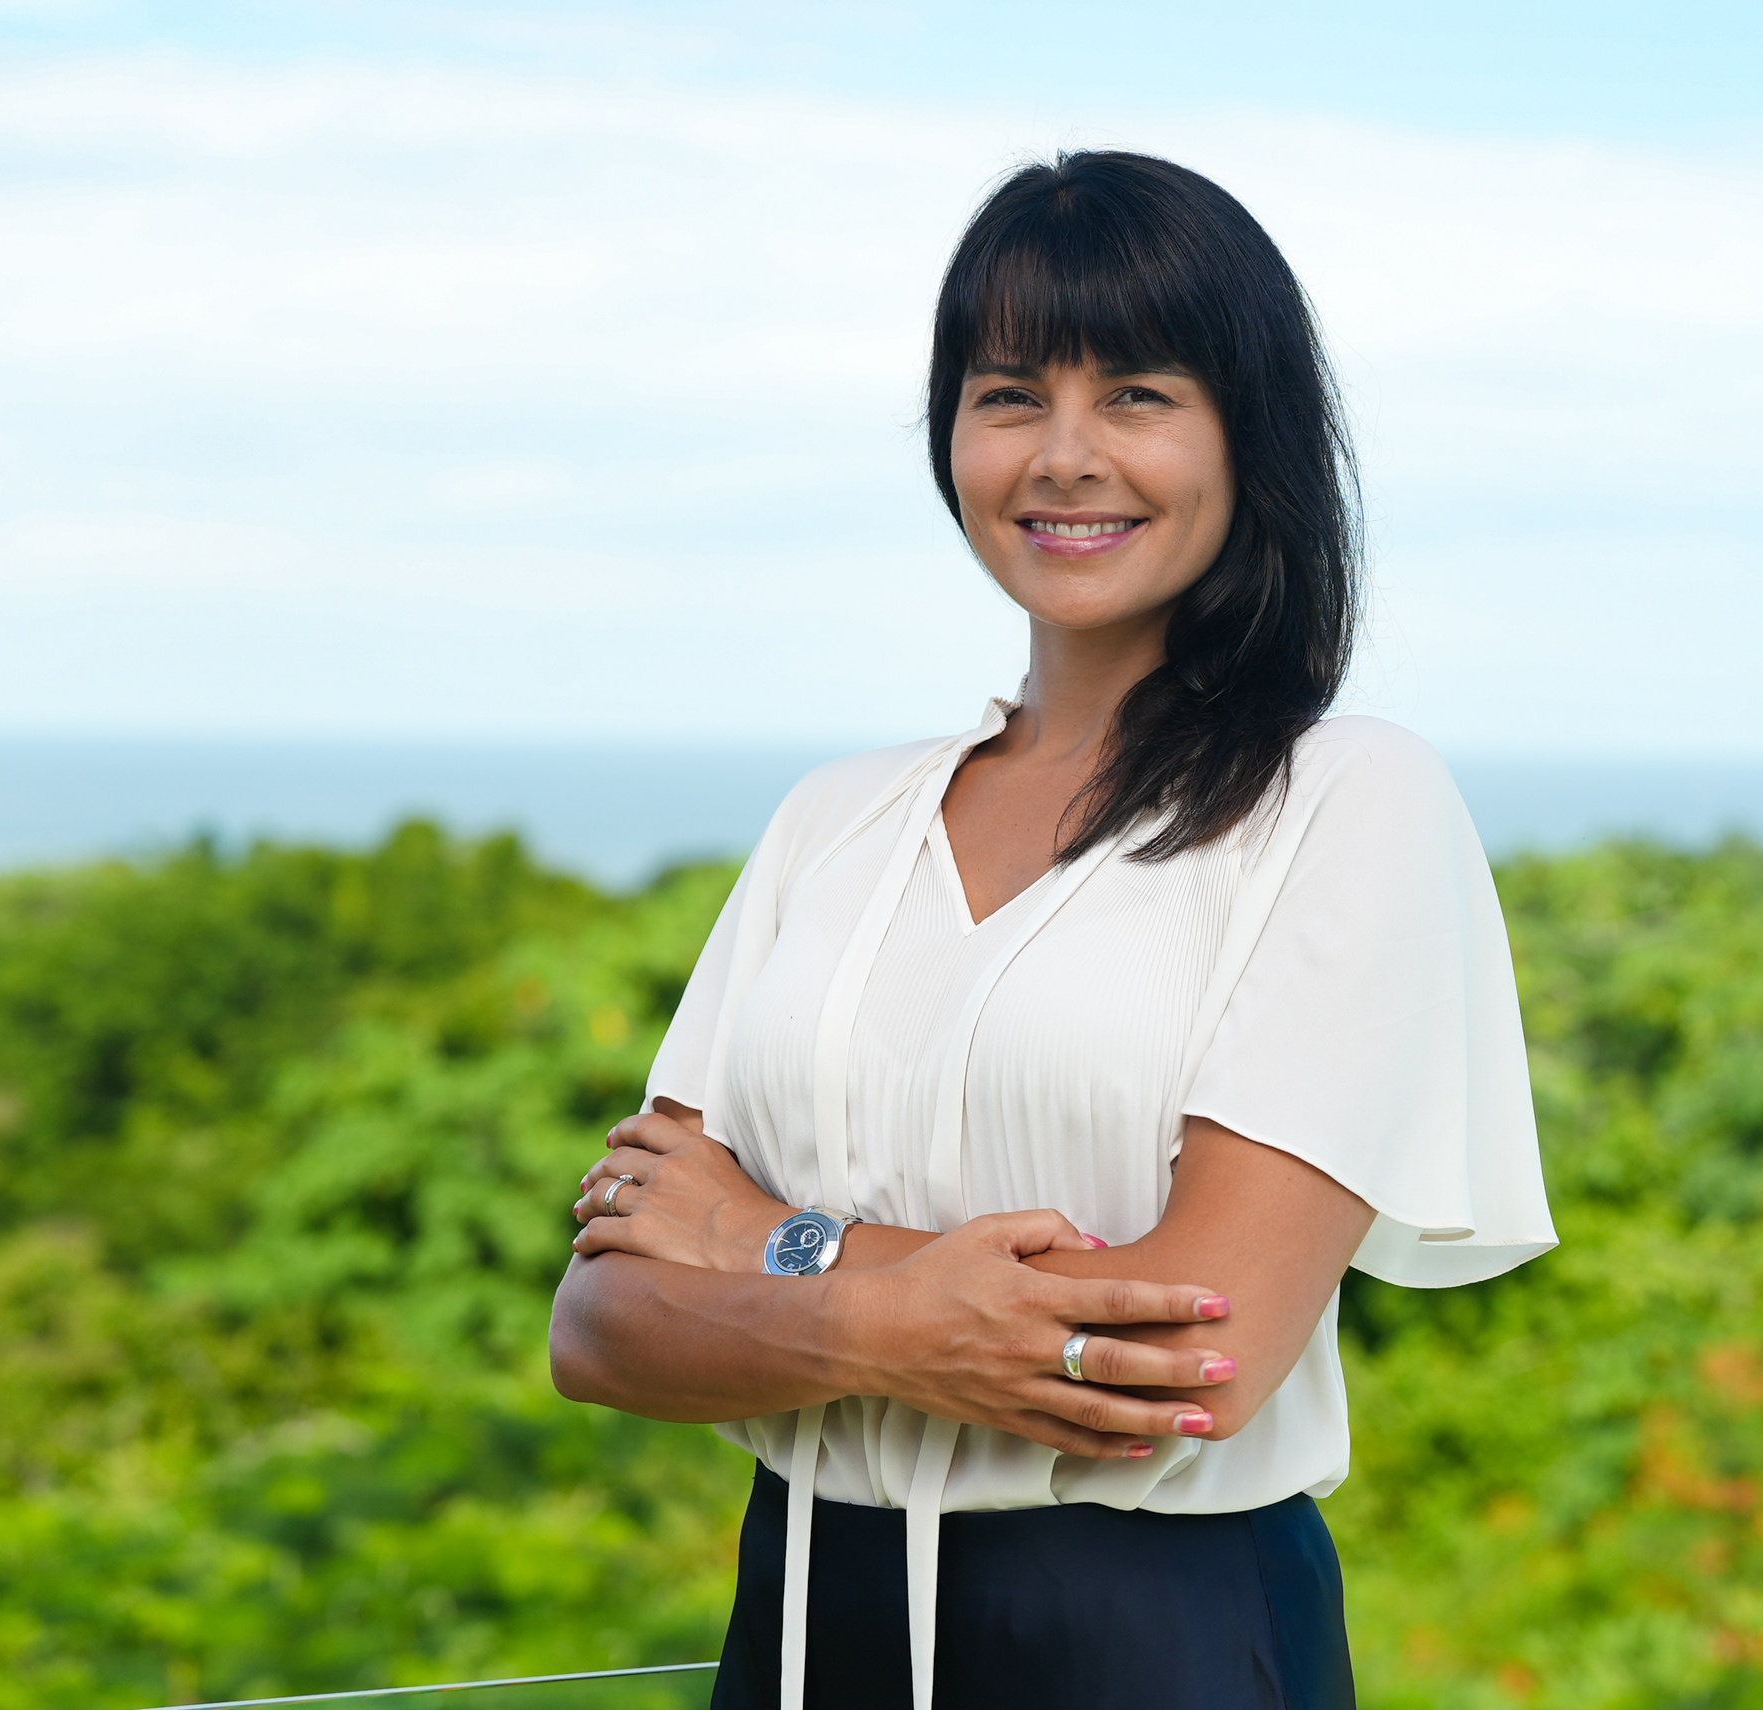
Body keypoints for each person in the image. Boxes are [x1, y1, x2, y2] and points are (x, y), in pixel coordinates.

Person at [547, 149, 1556, 1710]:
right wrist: (896, 1318)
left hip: (1149, 1637)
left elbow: (1196, 1351)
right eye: (1010, 395)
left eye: (1138, 394)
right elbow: (605, 1322)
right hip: (800, 1627)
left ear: (1249, 433)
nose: (1065, 456)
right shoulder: (837, 818)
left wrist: (768, 1245)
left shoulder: (1346, 799)